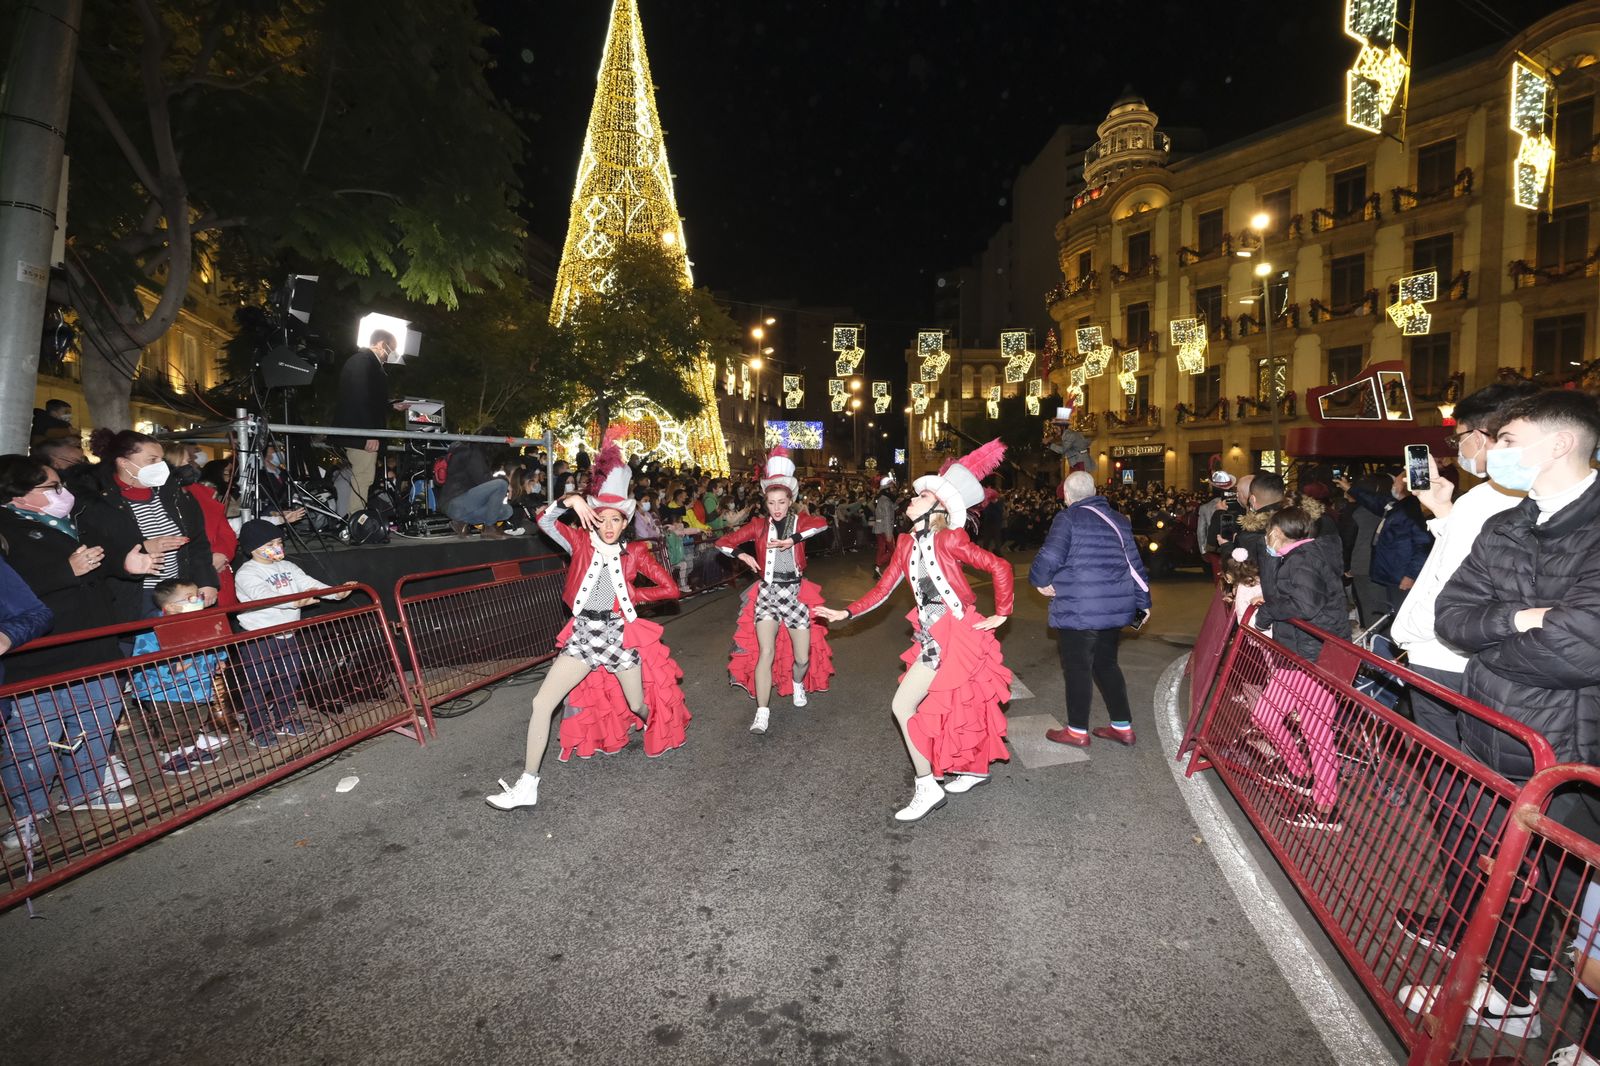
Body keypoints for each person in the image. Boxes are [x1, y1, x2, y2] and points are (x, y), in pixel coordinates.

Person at [1403, 390, 1600, 1037]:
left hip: (1573, 748)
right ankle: (1515, 993)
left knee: (1575, 887)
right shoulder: (1505, 524)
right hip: (1494, 732)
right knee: (1509, 872)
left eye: (1510, 439)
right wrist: (1524, 619)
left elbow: (1583, 646)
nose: (1497, 451)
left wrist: (1500, 644)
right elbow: (1452, 617)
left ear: (1561, 443)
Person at [486, 429, 690, 811]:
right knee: (541, 703)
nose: (609, 525)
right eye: (602, 517)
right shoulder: (578, 541)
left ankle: (653, 719)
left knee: (638, 705)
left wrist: (631, 597)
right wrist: (570, 497)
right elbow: (544, 519)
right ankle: (527, 784)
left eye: (616, 519)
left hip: (618, 637)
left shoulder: (635, 553)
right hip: (582, 636)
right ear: (592, 517)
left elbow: (670, 590)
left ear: (624, 521)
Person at [815, 440, 1013, 823]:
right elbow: (882, 589)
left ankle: (928, 787)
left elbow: (1000, 568)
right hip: (930, 633)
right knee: (955, 701)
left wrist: (1002, 612)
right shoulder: (905, 545)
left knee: (904, 706)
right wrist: (845, 612)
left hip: (955, 633)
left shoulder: (950, 538)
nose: (912, 498)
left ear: (938, 508)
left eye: (921, 495)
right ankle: (972, 769)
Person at [0, 454, 159, 845]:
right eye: (51, 487)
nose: (62, 493)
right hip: (40, 654)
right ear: (18, 495)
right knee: (34, 742)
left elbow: (95, 563)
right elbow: (14, 592)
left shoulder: (64, 522)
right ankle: (28, 812)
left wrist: (125, 564)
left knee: (95, 723)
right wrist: (64, 572)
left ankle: (83, 791)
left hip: (95, 644)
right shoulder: (6, 531)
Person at [1238, 506, 1351, 831]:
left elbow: (1305, 604)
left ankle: (1326, 807)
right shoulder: (1300, 556)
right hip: (1299, 653)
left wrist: (1271, 611)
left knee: (1317, 734)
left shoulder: (1303, 560)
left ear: (1279, 532)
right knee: (1265, 715)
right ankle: (1300, 772)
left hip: (1316, 658)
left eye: (1269, 531)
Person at [1029, 471, 1152, 748]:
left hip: (1078, 608)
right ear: (1095, 491)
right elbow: (1135, 565)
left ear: (1068, 497)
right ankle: (1123, 727)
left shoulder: (1068, 518)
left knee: (1078, 669)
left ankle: (1076, 731)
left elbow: (1049, 556)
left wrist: (1040, 580)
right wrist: (1143, 604)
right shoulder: (1118, 520)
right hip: (1114, 609)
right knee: (1106, 664)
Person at [717, 447, 835, 734]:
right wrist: (741, 555)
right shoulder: (758, 526)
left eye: (782, 502)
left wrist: (791, 540)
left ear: (790, 501)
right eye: (772, 502)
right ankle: (762, 712)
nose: (777, 507)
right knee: (765, 652)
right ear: (765, 503)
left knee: (802, 658)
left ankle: (797, 684)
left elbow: (822, 524)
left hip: (795, 594)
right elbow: (723, 541)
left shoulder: (800, 521)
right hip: (768, 594)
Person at [233, 519, 356, 749]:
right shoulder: (246, 573)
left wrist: (336, 593)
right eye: (270, 543)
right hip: (258, 637)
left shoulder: (287, 567)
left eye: (279, 541)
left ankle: (283, 719)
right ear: (253, 547)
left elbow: (309, 584)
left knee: (290, 679)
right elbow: (264, 596)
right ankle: (257, 727)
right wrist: (295, 602)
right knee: (257, 685)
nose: (278, 546)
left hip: (288, 634)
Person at [78, 429, 218, 615]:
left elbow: (198, 542)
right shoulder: (97, 501)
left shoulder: (174, 492)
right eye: (152, 460)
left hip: (181, 592)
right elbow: (97, 551)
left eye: (161, 459)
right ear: (124, 463)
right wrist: (144, 547)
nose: (161, 465)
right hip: (134, 596)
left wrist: (206, 582)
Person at [130, 578, 230, 775]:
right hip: (164, 690)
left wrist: (219, 659)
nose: (198, 600)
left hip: (198, 684)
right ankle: (171, 755)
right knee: (170, 723)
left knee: (194, 718)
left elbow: (213, 641)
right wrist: (170, 668)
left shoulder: (200, 620)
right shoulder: (153, 627)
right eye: (190, 598)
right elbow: (143, 657)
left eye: (198, 596)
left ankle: (190, 749)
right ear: (171, 606)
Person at [1337, 470, 1432, 617]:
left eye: (1397, 481)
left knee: (1402, 614)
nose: (1393, 484)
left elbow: (1424, 545)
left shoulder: (1411, 510)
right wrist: (1350, 489)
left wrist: (1410, 575)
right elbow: (1374, 501)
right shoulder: (1398, 505)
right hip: (1393, 573)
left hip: (1400, 576)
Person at [333, 329, 396, 516]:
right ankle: (357, 520)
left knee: (364, 476)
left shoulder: (364, 362)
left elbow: (368, 397)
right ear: (381, 343)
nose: (390, 355)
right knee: (363, 476)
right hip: (361, 432)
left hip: (360, 431)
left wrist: (392, 404)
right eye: (390, 349)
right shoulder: (363, 362)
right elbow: (360, 398)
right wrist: (369, 433)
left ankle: (357, 519)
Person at [438, 437, 511, 539]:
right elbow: (483, 479)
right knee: (501, 484)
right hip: (455, 502)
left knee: (507, 510)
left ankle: (461, 522)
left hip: (464, 508)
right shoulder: (473, 451)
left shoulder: (471, 452)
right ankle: (489, 528)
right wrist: (505, 480)